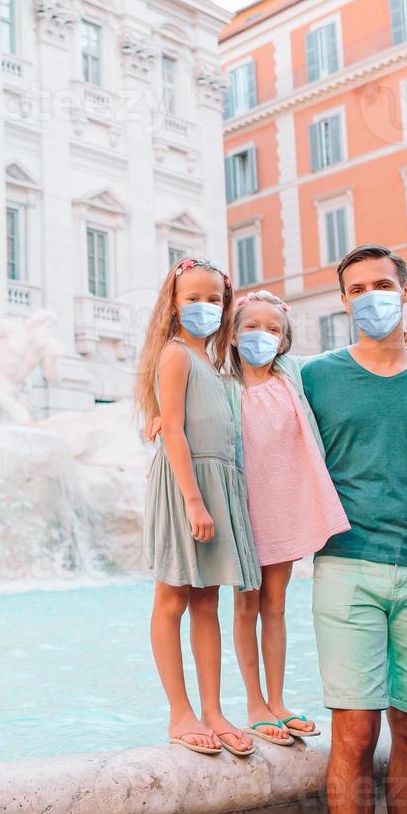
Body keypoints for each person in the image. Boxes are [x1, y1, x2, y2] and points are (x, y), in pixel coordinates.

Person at [301, 244, 407, 814]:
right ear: (343, 301)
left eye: (382, 284)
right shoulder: (315, 376)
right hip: (345, 567)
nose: (371, 296)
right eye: (357, 287)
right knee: (356, 734)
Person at [136, 257, 261, 757]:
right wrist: (193, 501)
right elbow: (174, 431)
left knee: (207, 601)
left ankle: (213, 708)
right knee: (172, 599)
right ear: (173, 302)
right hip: (188, 487)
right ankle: (179, 712)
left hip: (217, 484)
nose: (205, 307)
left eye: (214, 299)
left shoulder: (214, 364)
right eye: (193, 298)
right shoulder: (175, 355)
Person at [225, 290, 350, 747]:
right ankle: (254, 703)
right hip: (242, 508)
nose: (262, 336)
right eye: (252, 327)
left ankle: (276, 700)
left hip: (283, 503)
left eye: (273, 329)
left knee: (275, 605)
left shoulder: (291, 375)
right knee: (246, 605)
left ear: (285, 340)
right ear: (233, 335)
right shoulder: (223, 383)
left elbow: (339, 360)